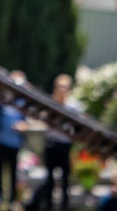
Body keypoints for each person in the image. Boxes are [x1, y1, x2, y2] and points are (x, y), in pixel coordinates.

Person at [0, 73, 28, 209]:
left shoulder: (22, 102)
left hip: (15, 142)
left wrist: (22, 127)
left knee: (14, 171)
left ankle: (12, 199)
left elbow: (26, 121)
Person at [36, 74, 78, 210]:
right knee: (49, 178)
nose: (62, 90)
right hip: (51, 144)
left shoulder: (73, 107)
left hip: (65, 146)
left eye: (65, 87)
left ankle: (65, 206)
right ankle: (48, 205)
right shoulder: (50, 104)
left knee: (65, 178)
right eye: (60, 87)